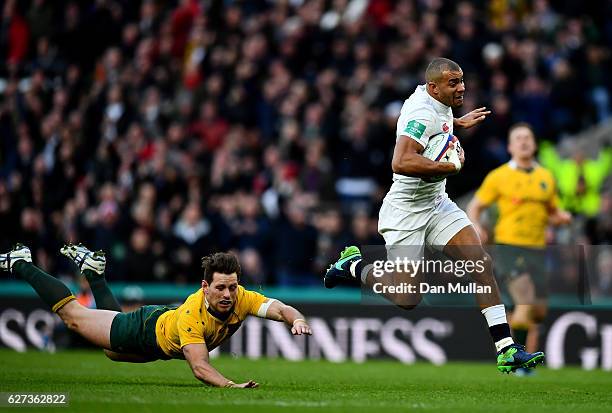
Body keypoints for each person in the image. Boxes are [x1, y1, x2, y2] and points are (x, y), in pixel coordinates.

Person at [323, 57, 544, 373]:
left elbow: (435, 125)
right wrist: (447, 167)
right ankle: (354, 266)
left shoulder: (435, 101)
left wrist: (456, 123)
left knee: (480, 263)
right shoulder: (420, 113)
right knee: (408, 298)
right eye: (454, 83)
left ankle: (506, 349)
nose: (462, 87)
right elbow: (400, 161)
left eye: (462, 80)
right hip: (406, 211)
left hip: (437, 203)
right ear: (434, 87)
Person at [0, 243, 312, 388]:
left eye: (232, 287)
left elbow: (281, 308)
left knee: (111, 352)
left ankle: (95, 276)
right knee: (73, 317)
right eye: (220, 288)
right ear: (205, 287)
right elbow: (201, 368)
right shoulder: (193, 314)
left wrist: (296, 319)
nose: (228, 295)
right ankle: (21, 262)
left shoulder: (242, 297)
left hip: (160, 335)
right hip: (144, 330)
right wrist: (231, 386)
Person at [467, 122, 571, 375]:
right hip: (509, 247)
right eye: (518, 138)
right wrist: (477, 227)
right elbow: (474, 207)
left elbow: (552, 212)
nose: (524, 142)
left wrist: (561, 217)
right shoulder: (499, 176)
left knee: (538, 311)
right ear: (511, 146)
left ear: (534, 144)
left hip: (538, 249)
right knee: (524, 301)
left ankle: (512, 349)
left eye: (528, 138)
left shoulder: (546, 177)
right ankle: (517, 360)